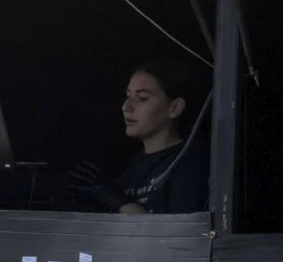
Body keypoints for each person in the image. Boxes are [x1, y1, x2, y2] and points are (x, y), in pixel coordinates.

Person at [81, 59, 210, 215]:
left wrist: (120, 201)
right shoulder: (133, 165)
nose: (126, 107)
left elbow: (176, 233)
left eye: (142, 98)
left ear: (175, 107)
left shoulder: (190, 160)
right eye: (127, 96)